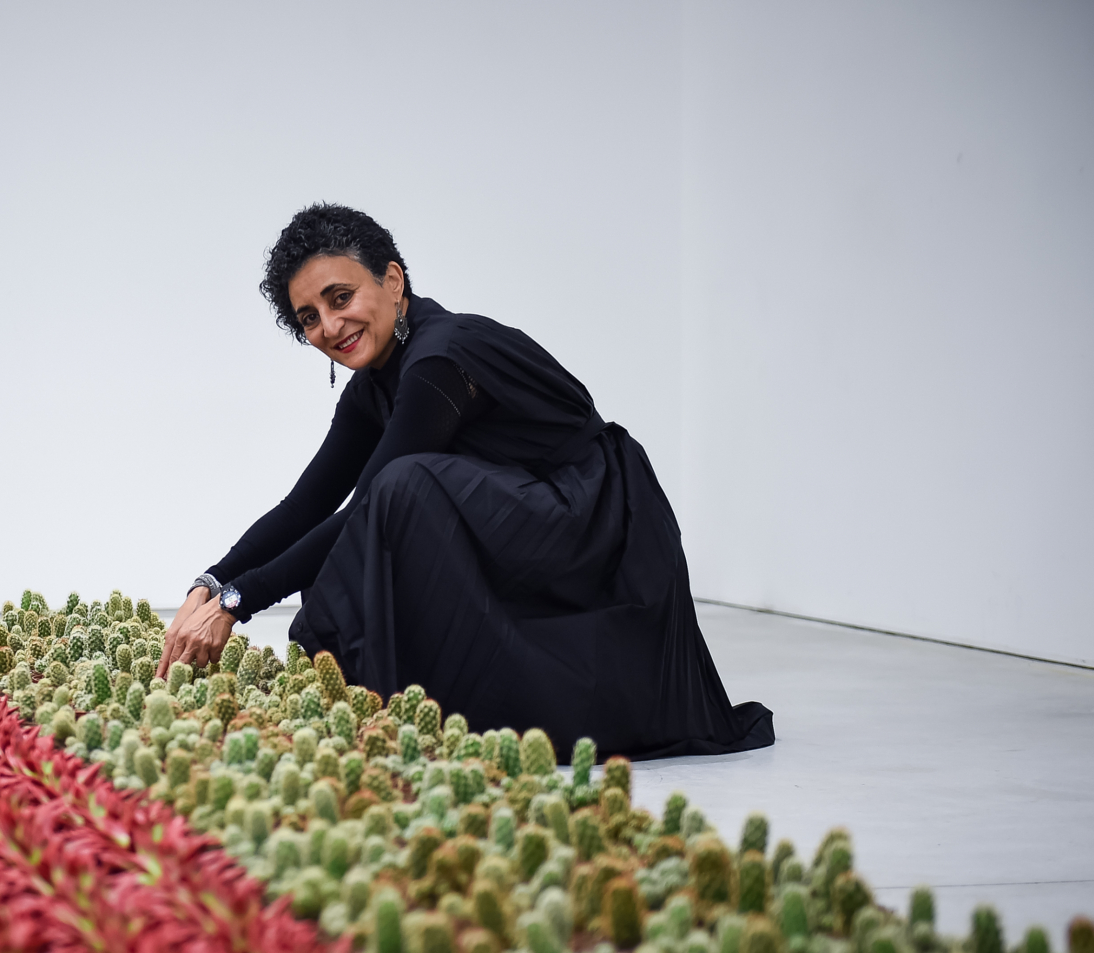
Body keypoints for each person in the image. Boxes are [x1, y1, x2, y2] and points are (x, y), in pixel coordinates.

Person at [159, 203, 772, 760]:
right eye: (309, 318)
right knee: (398, 499)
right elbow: (307, 504)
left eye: (341, 297)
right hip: (523, 516)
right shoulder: (374, 383)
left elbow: (368, 503)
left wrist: (239, 604)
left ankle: (512, 698)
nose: (330, 326)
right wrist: (211, 583)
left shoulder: (440, 359)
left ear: (393, 281)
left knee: (402, 493)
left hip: (595, 527)